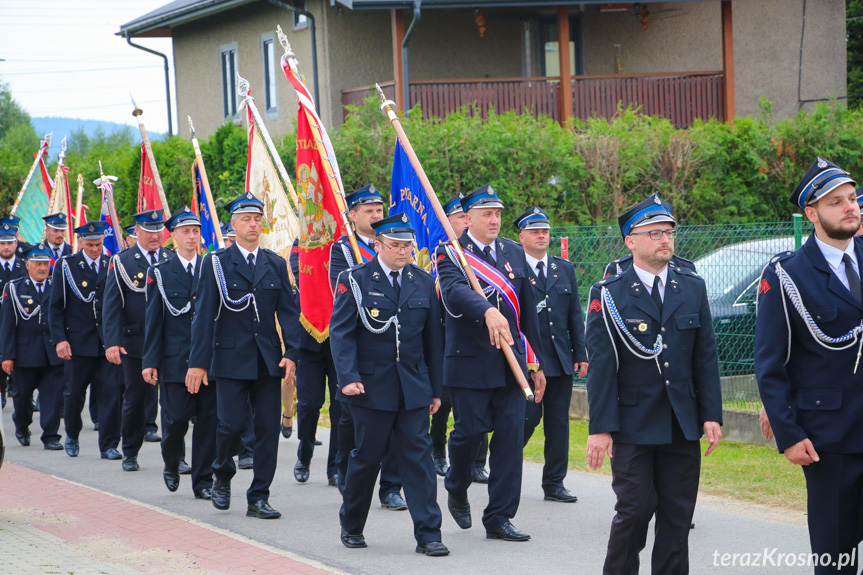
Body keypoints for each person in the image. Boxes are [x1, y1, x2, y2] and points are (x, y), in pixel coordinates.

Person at [585, 194, 722, 575]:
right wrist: (600, 429)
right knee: (634, 511)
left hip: (681, 422)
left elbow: (705, 356)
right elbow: (601, 367)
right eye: (655, 233)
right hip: (632, 423)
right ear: (631, 241)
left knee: (678, 517)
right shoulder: (609, 294)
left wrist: (711, 414)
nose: (666, 239)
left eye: (669, 232)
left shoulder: (691, 286)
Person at [756, 158, 863, 574]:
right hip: (828, 438)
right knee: (836, 556)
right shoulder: (787, 275)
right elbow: (770, 362)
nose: (850, 207)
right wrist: (789, 433)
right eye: (836, 202)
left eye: (852, 199)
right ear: (812, 214)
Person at [330, 212, 448, 556]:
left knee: (419, 461)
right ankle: (352, 525)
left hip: (412, 388)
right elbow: (341, 334)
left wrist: (435, 390)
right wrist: (348, 378)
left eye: (407, 245)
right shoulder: (354, 279)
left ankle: (429, 534)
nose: (402, 251)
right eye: (395, 245)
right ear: (378, 245)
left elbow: (433, 341)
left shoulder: (423, 281)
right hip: (369, 387)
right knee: (366, 459)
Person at [435, 184, 546, 542]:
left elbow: (527, 315)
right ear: (467, 219)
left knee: (510, 442)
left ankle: (499, 517)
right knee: (469, 433)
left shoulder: (514, 252)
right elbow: (453, 292)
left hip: (510, 366)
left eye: (497, 213)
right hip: (469, 364)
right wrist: (487, 312)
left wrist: (536, 363)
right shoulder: (450, 252)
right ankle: (456, 483)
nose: (494, 219)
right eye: (487, 213)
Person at [187, 192, 299, 519]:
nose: (253, 224)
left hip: (267, 361)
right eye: (246, 219)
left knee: (267, 429)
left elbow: (289, 313)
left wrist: (292, 352)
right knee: (231, 425)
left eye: (257, 219)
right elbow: (204, 314)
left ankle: (259, 496)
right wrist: (198, 362)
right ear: (233, 224)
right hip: (230, 359)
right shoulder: (216, 263)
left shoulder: (274, 264)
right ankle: (221, 474)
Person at [329, 184, 406, 510]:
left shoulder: (396, 250)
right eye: (369, 211)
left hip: (395, 356)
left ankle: (390, 486)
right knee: (352, 422)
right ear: (353, 215)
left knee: (397, 428)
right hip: (361, 352)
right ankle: (346, 473)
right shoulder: (343, 250)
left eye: (379, 210)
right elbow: (340, 296)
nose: (376, 215)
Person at [516, 206, 588, 503]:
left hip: (559, 358)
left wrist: (581, 352)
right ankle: (502, 466)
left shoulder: (563, 268)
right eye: (534, 231)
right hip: (528, 360)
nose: (541, 236)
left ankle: (554, 483)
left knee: (558, 423)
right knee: (527, 419)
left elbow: (574, 315)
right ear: (521, 237)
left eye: (545, 231)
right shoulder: (513, 270)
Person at [142, 207, 215, 500]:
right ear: (173, 236)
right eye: (185, 231)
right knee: (174, 422)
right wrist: (150, 360)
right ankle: (172, 463)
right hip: (174, 361)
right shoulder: (160, 272)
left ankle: (203, 480)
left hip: (207, 361)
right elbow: (153, 319)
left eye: (196, 230)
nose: (192, 236)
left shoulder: (213, 267)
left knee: (208, 421)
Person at [103, 209, 172, 472]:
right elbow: (112, 305)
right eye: (149, 230)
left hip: (168, 341)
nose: (155, 235)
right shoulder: (122, 261)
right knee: (135, 398)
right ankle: (130, 451)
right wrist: (112, 341)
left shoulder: (170, 257)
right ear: (137, 232)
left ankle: (175, 454)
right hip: (136, 342)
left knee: (172, 400)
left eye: (158, 230)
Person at [49, 221, 123, 459]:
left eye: (99, 244)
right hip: (78, 342)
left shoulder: (112, 263)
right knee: (74, 394)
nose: (95, 249)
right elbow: (56, 306)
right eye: (90, 244)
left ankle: (109, 445)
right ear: (80, 242)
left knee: (110, 395)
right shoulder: (66, 266)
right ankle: (71, 435)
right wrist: (60, 339)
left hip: (107, 343)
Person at [430, 194, 490, 483]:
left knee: (480, 408)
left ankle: (479, 462)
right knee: (444, 401)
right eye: (454, 218)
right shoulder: (443, 254)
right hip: (444, 337)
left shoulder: (482, 256)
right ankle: (438, 451)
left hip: (479, 338)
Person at [0, 244, 64, 450]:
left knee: (52, 397)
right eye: (38, 264)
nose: (42, 268)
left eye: (46, 264)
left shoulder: (57, 286)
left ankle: (51, 436)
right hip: (25, 354)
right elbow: (7, 325)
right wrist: (7, 355)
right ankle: (21, 426)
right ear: (27, 265)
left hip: (52, 353)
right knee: (22, 397)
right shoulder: (14, 288)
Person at [290, 238, 340, 486]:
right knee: (310, 405)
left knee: (342, 407)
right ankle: (305, 453)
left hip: (341, 341)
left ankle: (336, 467)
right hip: (309, 340)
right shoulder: (303, 241)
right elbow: (299, 277)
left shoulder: (344, 242)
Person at [0, 216, 28, 409]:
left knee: (19, 363)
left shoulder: (25, 266)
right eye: (2, 243)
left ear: (16, 243)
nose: (6, 247)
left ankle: (22, 395)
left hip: (19, 323)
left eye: (10, 243)